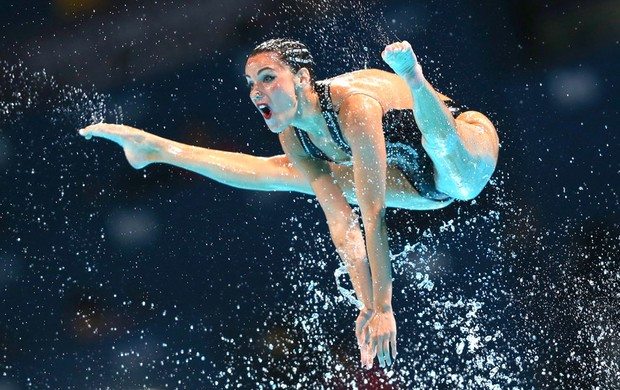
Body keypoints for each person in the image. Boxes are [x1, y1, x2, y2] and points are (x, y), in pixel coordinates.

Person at [79, 38, 499, 369]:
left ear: (301, 78)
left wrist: (386, 306)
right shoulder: (294, 137)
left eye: (267, 78)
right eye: (251, 84)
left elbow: (372, 215)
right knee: (280, 172)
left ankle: (414, 77)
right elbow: (344, 226)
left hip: (469, 146)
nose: (257, 92)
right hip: (418, 184)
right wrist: (367, 306)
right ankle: (154, 148)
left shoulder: (353, 107)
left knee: (449, 162)